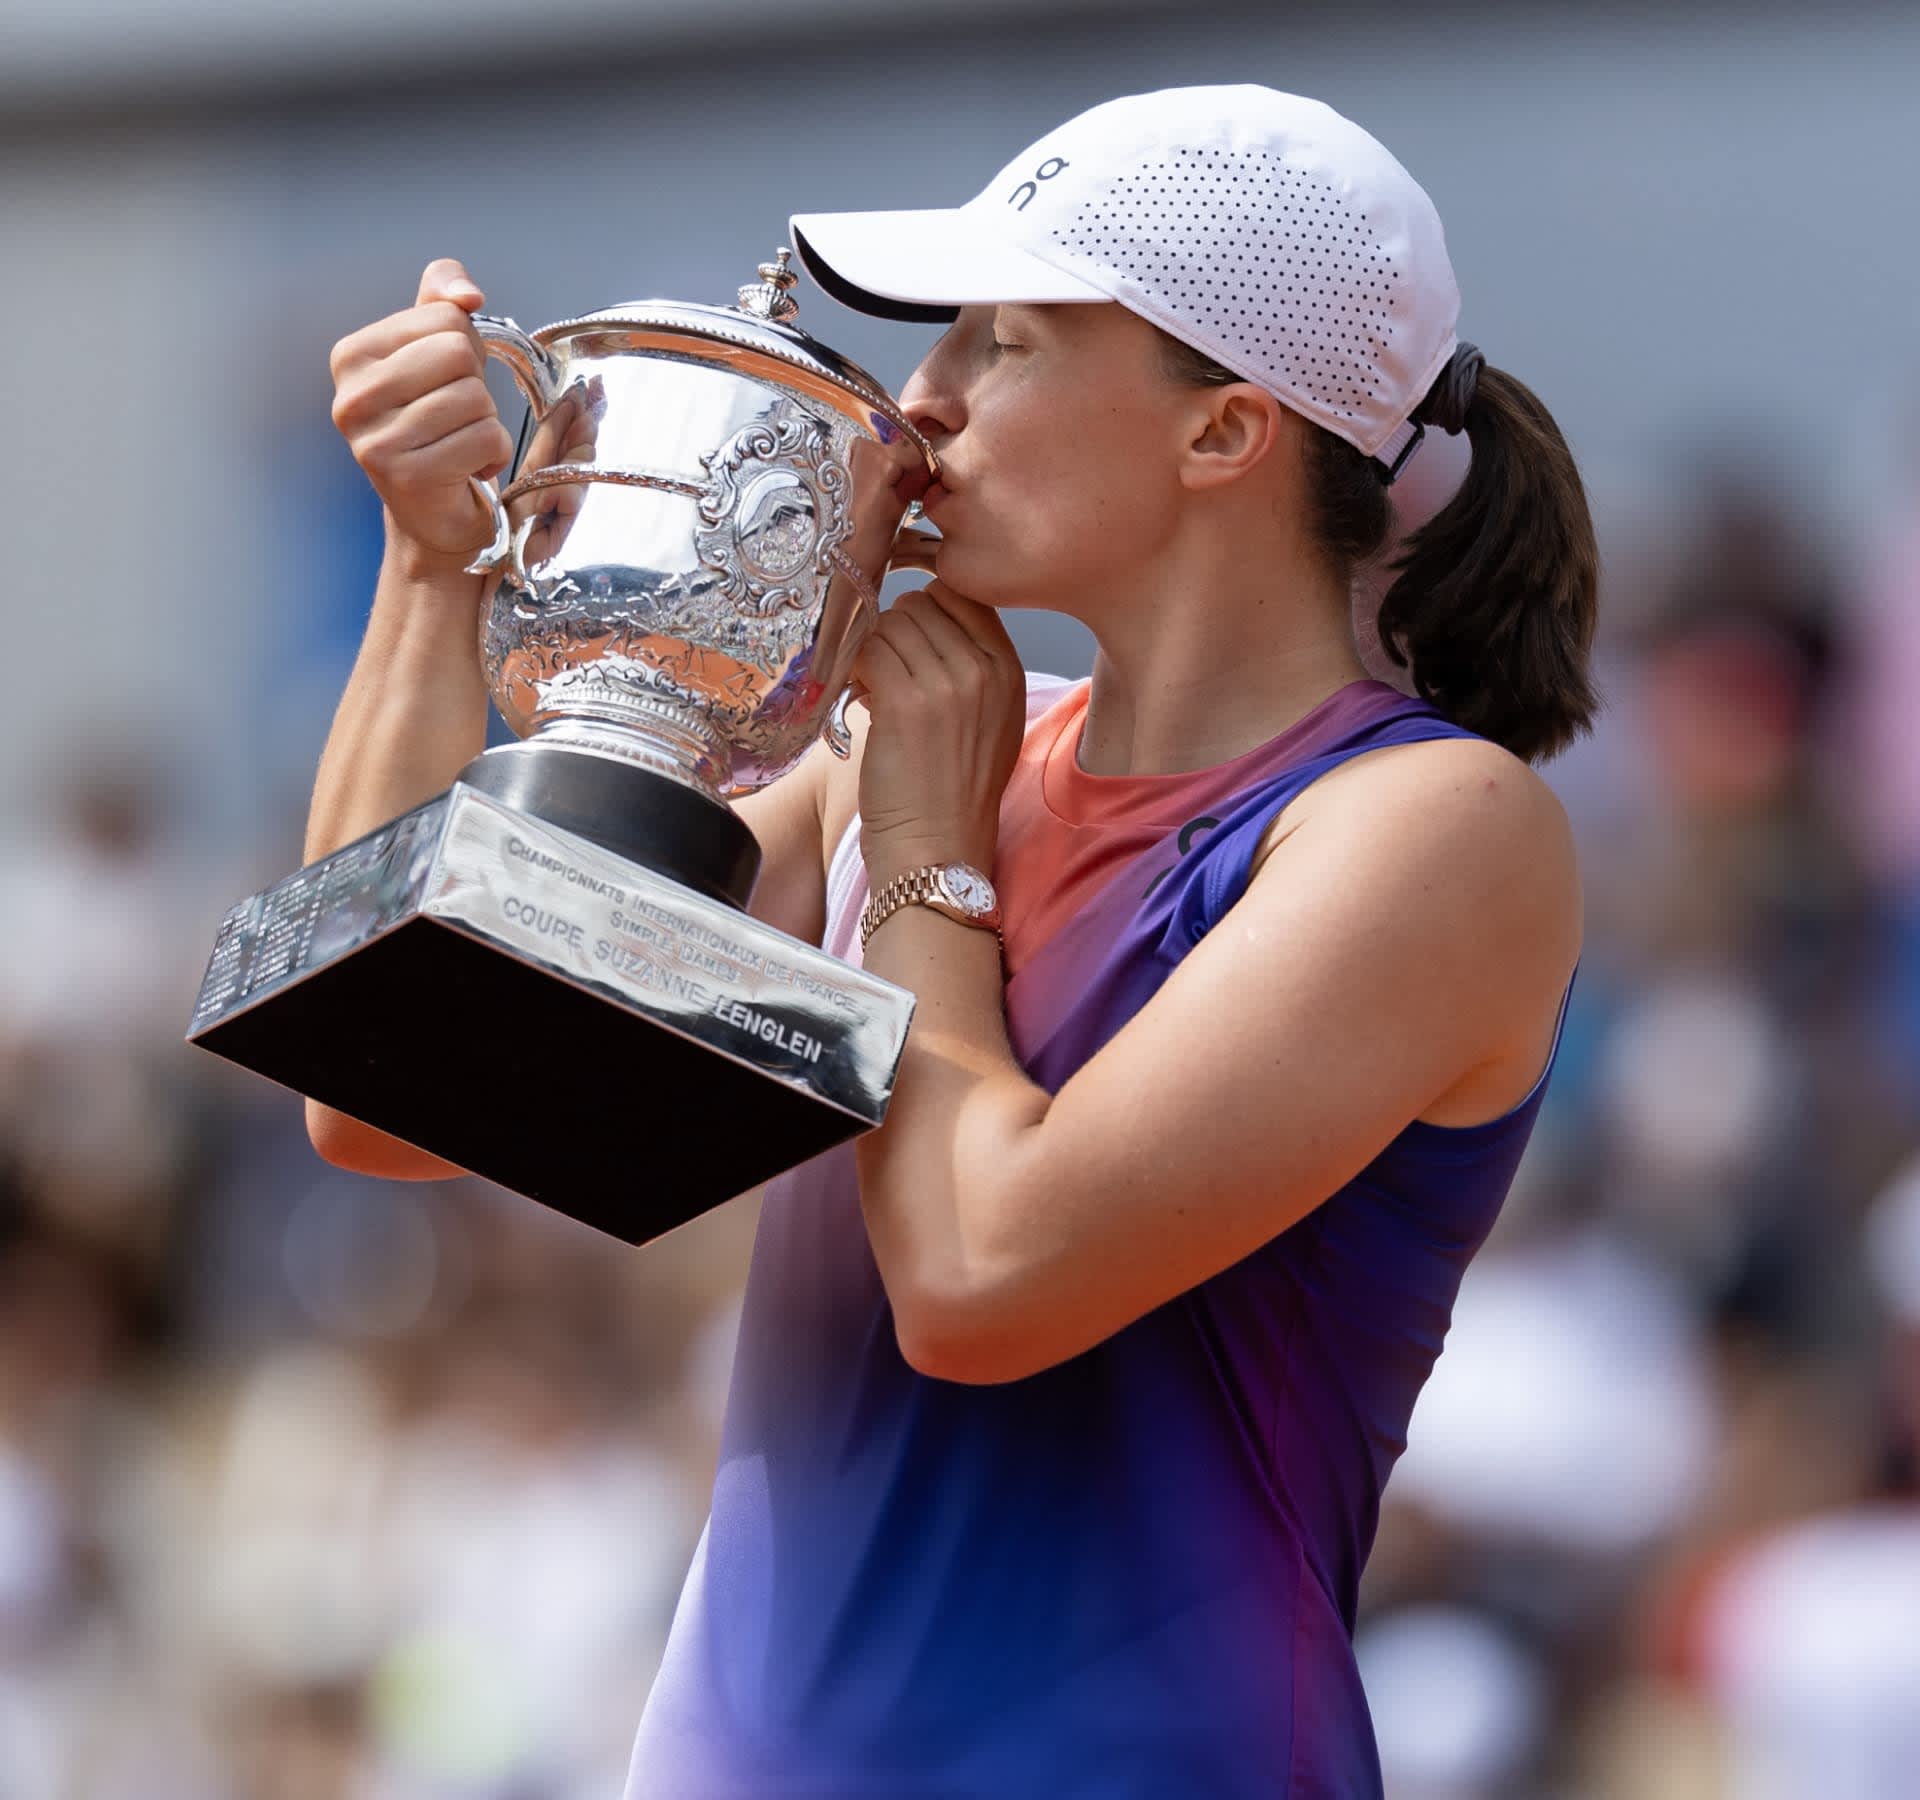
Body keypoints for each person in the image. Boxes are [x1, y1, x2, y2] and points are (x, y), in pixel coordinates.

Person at [315, 85, 1596, 1797]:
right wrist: (433, 569)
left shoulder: (1431, 826)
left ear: (1224, 432)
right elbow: (396, 1086)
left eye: (1003, 342)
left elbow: (986, 1278)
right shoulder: (896, 758)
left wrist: (927, 854)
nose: (920, 402)